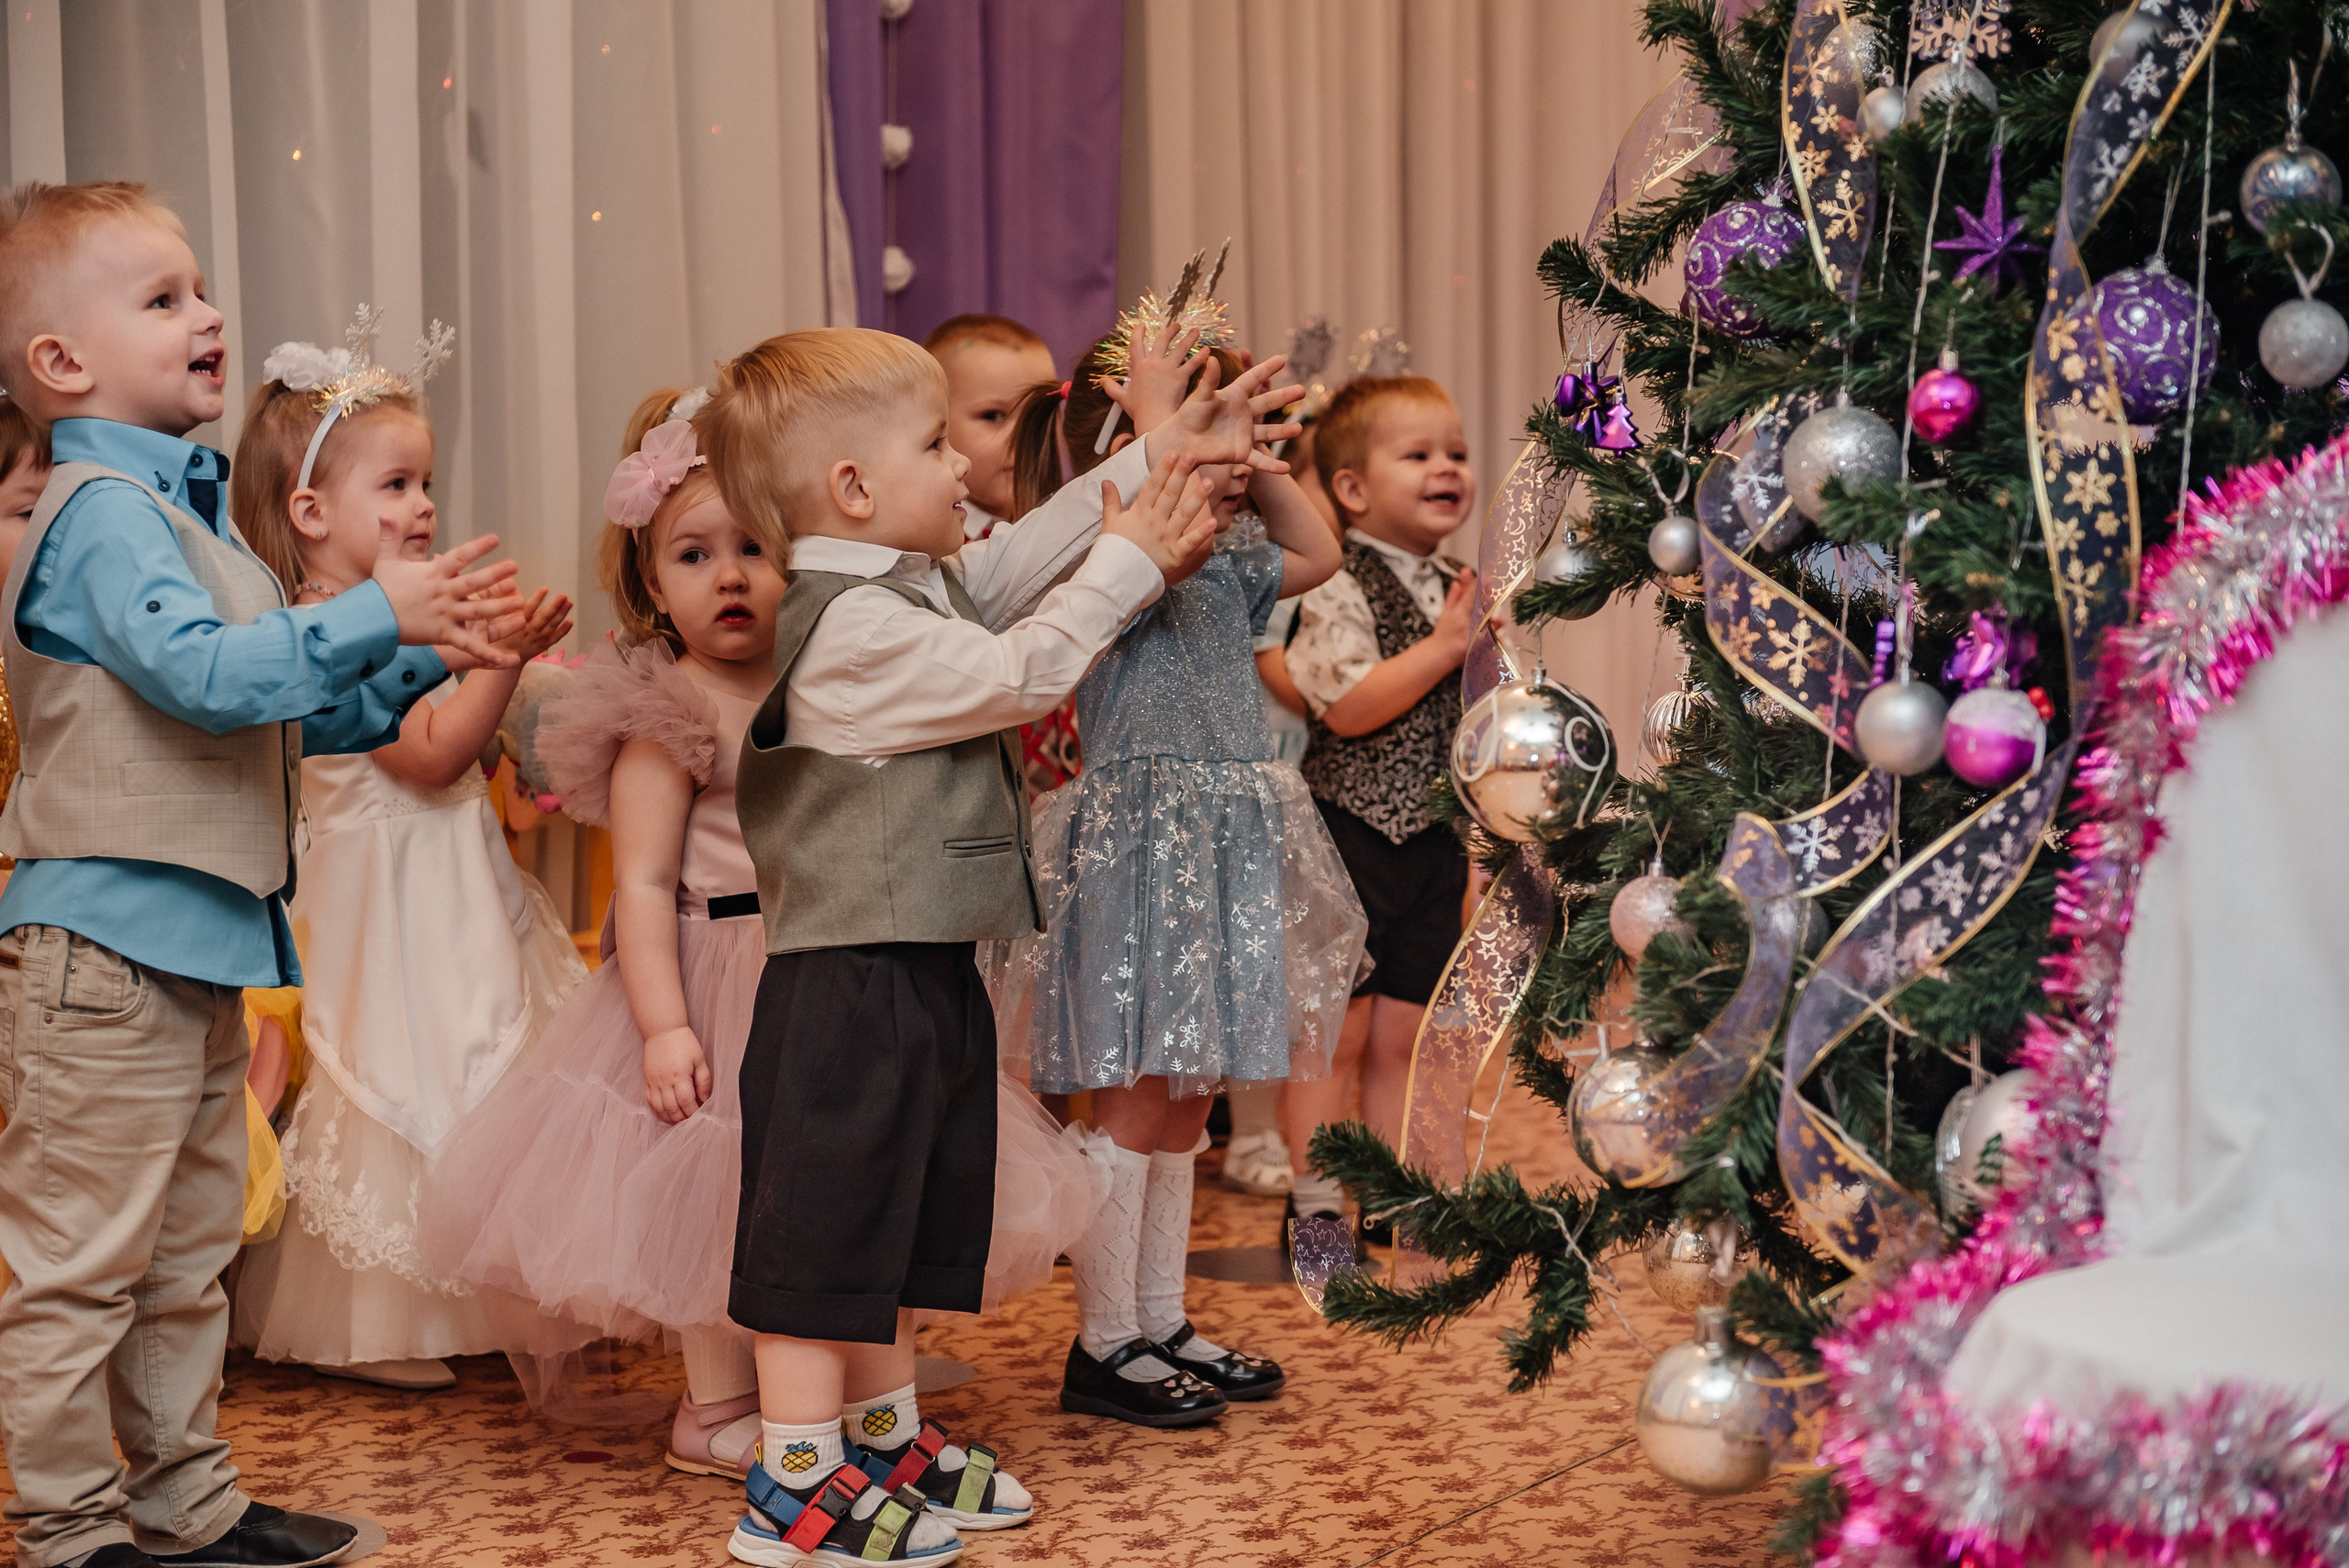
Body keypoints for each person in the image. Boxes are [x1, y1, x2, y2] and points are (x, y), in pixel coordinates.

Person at [417, 385, 1105, 1481]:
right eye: (693, 556)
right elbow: (645, 886)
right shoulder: (669, 712)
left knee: (829, 1189)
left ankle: (848, 1398)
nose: (730, 577)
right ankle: (716, 1403)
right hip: (710, 974)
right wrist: (662, 1027)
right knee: (713, 1193)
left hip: (826, 959)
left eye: (753, 548)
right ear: (651, 581)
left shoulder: (828, 668)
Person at [699, 325, 1293, 1566]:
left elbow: (1028, 551)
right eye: (933, 445)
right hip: (848, 981)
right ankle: (792, 1480)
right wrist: (1132, 562)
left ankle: (881, 1439)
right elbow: (1022, 669)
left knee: (901, 1225)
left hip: (922, 964)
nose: (962, 468)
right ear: (852, 489)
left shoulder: (912, 581)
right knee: (825, 1240)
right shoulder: (852, 626)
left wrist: (1164, 444)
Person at [0, 179, 523, 1568]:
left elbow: (276, 717)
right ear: (61, 361)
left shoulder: (185, 516)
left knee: (185, 1263)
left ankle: (187, 1503)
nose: (208, 312)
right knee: (82, 1269)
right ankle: (68, 1531)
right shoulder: (100, 510)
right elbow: (209, 677)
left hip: (194, 952)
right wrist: (377, 612)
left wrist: (432, 653)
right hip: (104, 956)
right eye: (162, 297)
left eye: (200, 288)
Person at [990, 324, 1363, 1428]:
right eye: (1204, 421)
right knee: (1138, 1091)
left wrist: (1253, 455)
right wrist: (1166, 433)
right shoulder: (1119, 542)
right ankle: (1104, 1339)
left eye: (1236, 423)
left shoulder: (1231, 550)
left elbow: (1320, 551)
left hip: (1226, 841)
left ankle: (1160, 1316)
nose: (1226, 447)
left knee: (1191, 1091)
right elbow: (1130, 542)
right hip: (1144, 845)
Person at [224, 317, 584, 1390]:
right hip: (386, 902)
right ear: (311, 513)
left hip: (449, 885)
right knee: (402, 1063)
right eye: (395, 485)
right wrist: (501, 662)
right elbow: (428, 756)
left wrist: (509, 664)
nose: (423, 505)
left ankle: (476, 1298)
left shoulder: (387, 617)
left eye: (425, 483)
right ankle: (378, 1322)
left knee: (480, 1052)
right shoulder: (326, 631)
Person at [1275, 374, 1478, 1245]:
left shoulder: (1461, 584)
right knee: (1336, 1033)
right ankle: (1316, 1201)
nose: (1447, 468)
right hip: (1349, 837)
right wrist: (1446, 647)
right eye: (1419, 454)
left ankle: (1391, 1193)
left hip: (1435, 842)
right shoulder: (1333, 580)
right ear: (1352, 489)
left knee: (1404, 1032)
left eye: (1456, 453)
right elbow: (1349, 706)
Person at [925, 314, 1081, 799]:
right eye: (993, 416)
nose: (1021, 437)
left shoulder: (1066, 527)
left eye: (1039, 416)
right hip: (985, 797)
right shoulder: (934, 550)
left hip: (1071, 787)